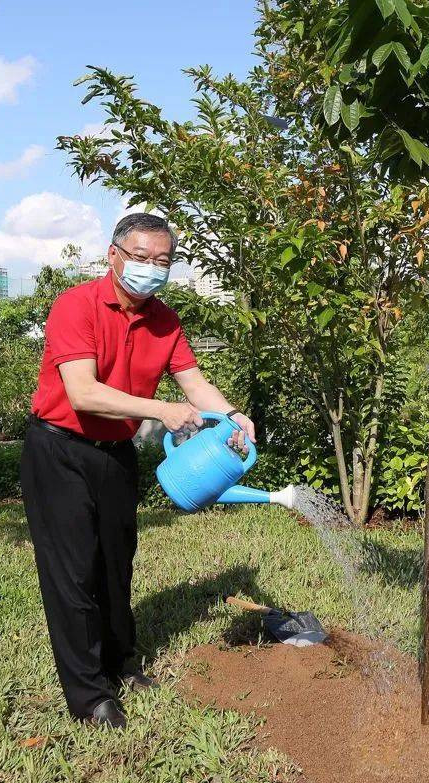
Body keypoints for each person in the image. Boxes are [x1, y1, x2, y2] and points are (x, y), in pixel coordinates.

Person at [21, 214, 255, 729]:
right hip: (60, 449)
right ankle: (89, 697)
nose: (152, 269)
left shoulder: (165, 321)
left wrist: (234, 417)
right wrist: (160, 410)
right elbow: (82, 392)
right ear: (113, 255)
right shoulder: (76, 306)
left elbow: (195, 384)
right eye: (142, 258)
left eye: (163, 261)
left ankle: (122, 664)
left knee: (116, 563)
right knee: (73, 573)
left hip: (116, 453)